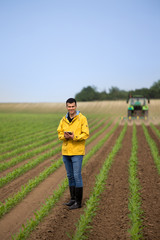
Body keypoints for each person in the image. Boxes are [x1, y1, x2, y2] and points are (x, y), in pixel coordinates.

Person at [57, 98, 89, 210]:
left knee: (77, 176)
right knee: (70, 176)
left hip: (77, 152)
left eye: (73, 106)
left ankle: (78, 202)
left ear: (76, 106)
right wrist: (64, 136)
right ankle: (72, 199)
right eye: (69, 106)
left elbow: (85, 134)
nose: (71, 108)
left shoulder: (82, 118)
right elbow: (59, 133)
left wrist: (74, 137)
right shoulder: (63, 119)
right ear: (66, 107)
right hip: (66, 152)